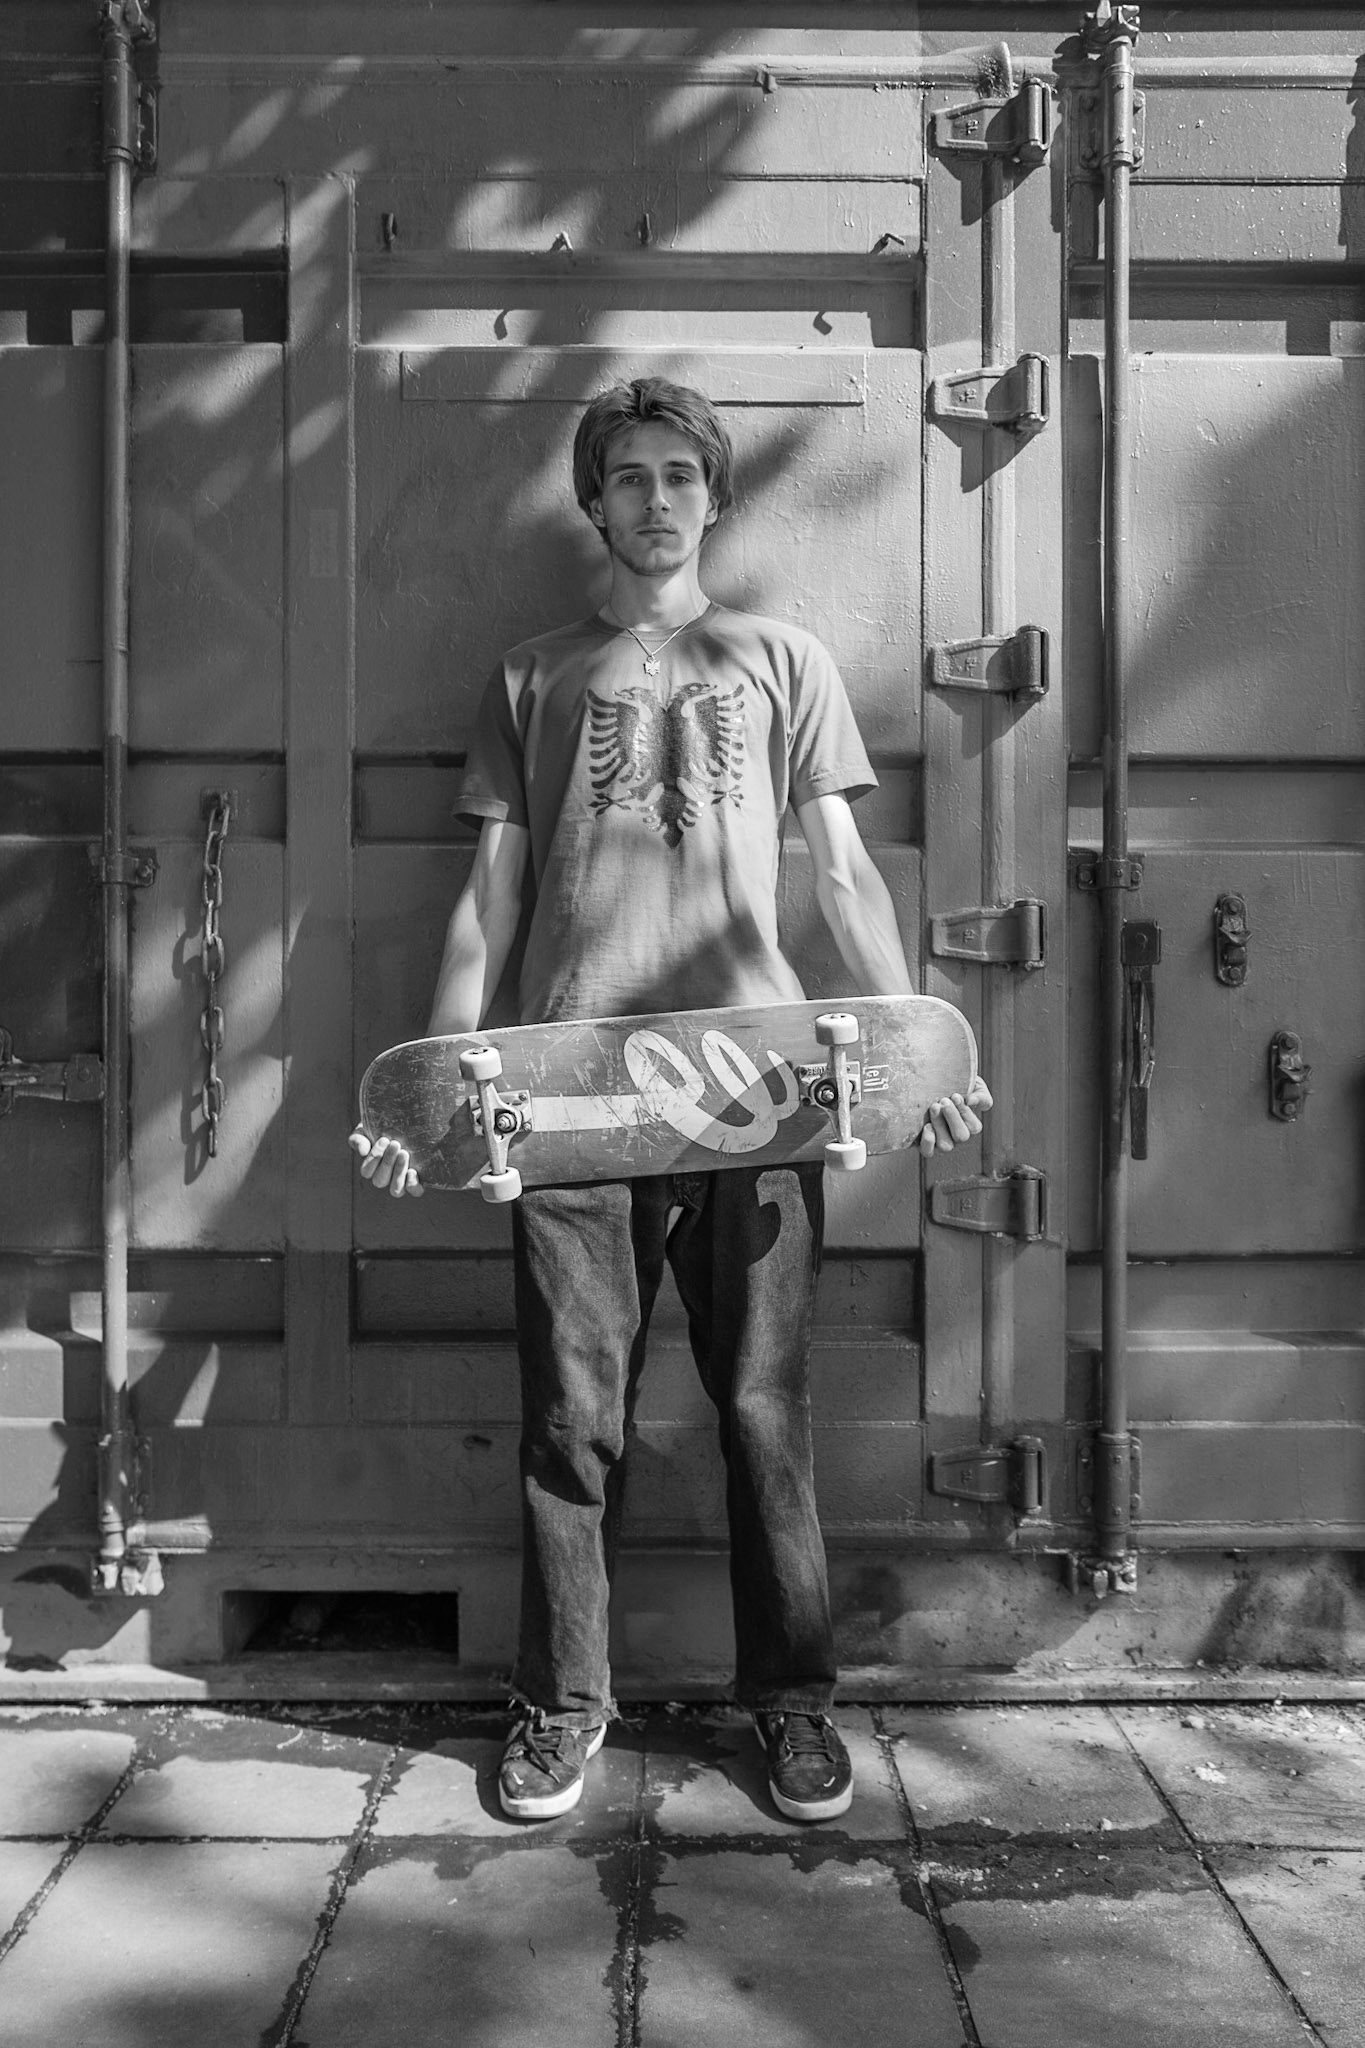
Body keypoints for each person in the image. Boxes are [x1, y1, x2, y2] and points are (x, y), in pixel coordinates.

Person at [351, 378, 990, 1825]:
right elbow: (490, 895)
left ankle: (792, 1708)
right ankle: (561, 1704)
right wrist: (440, 1081)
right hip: (572, 1093)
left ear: (714, 496)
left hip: (751, 1091)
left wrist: (912, 1052)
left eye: (679, 476)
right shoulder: (530, 673)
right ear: (593, 501)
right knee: (572, 1422)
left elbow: (838, 870)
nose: (654, 501)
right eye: (626, 476)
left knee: (764, 1411)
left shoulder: (781, 660)